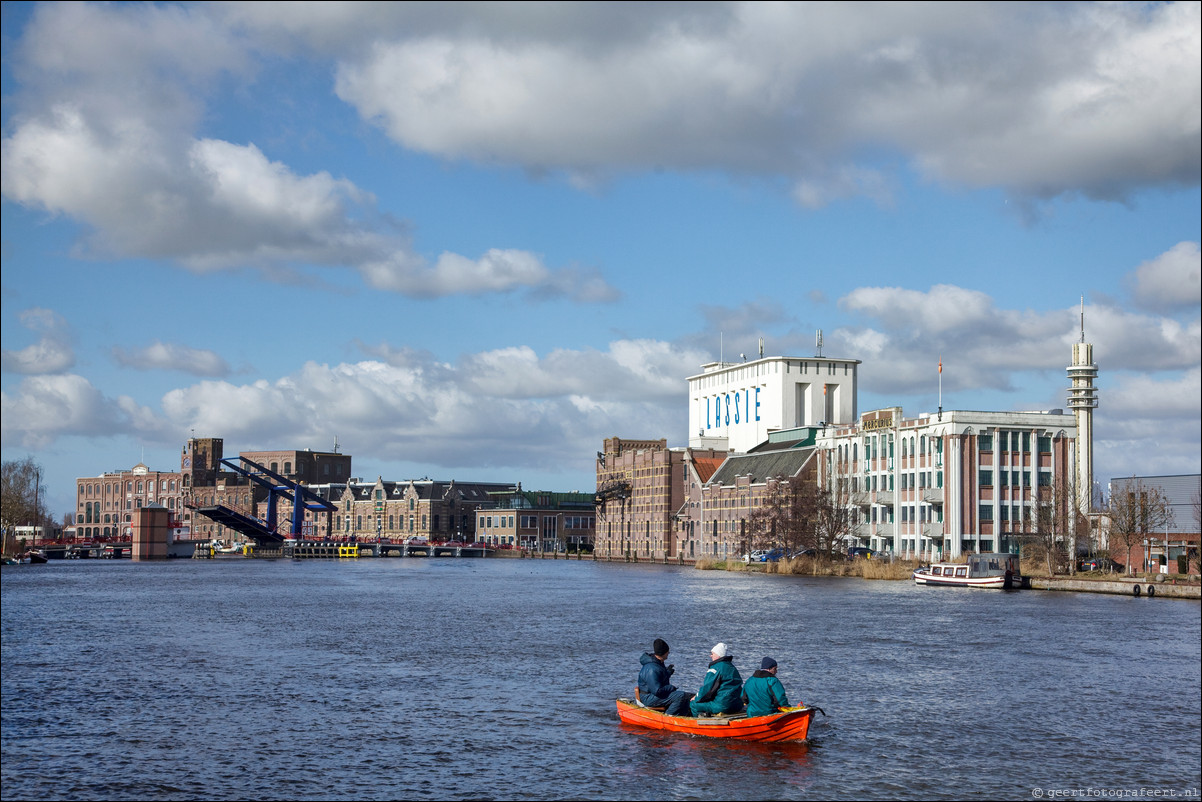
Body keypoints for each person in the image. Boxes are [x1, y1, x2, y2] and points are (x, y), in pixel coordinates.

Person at [637, 638, 694, 716]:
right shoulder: (652, 669)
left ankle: (683, 715)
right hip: (648, 697)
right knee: (680, 696)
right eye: (668, 652)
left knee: (687, 696)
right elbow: (657, 690)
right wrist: (671, 688)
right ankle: (668, 716)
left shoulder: (658, 662)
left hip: (654, 694)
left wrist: (668, 672)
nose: (668, 653)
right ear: (663, 653)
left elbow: (659, 678)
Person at [689, 642, 743, 717]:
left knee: (693, 704)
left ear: (718, 655)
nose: (710, 656)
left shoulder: (715, 668)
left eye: (712, 653)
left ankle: (698, 724)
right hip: (737, 705)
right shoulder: (732, 667)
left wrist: (697, 697)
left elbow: (707, 688)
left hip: (723, 705)